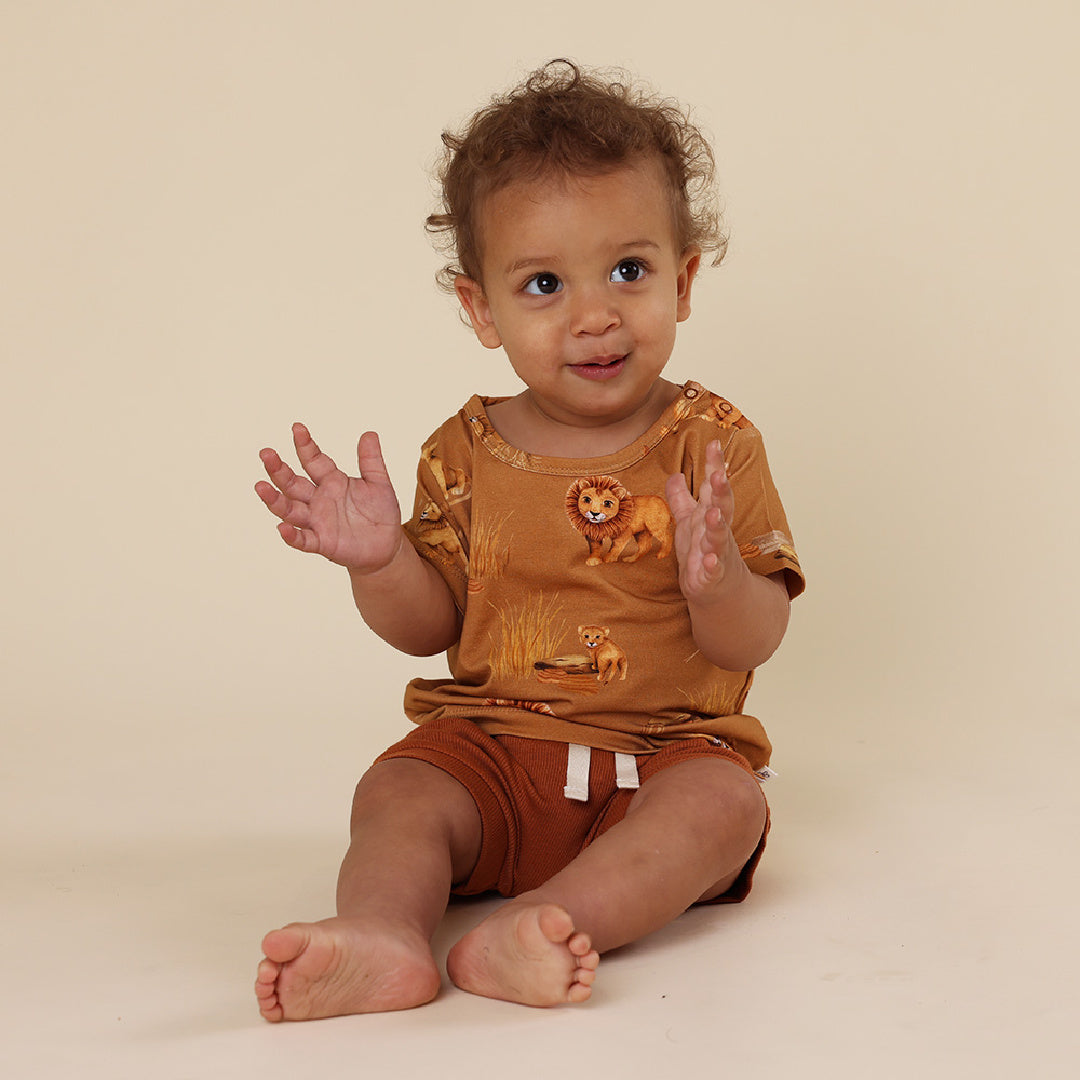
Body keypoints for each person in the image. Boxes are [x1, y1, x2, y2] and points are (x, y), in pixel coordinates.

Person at [253, 59, 803, 1019]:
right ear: (481, 309)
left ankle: (546, 923)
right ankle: (381, 934)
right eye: (544, 283)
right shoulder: (463, 452)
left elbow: (752, 640)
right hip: (494, 754)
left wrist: (716, 582)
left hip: (664, 758)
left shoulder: (713, 444)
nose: (595, 316)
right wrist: (382, 561)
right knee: (400, 790)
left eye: (628, 271)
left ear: (682, 280)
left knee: (727, 806)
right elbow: (430, 628)